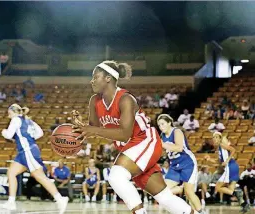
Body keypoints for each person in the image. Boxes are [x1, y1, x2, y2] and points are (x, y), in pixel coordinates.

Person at [72, 60, 198, 214]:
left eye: (95, 77)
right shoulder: (94, 100)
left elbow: (124, 134)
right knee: (164, 198)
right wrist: (81, 128)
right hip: (131, 149)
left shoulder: (125, 99)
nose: (92, 81)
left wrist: (90, 129)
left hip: (145, 141)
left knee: (116, 177)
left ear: (108, 78)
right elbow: (94, 128)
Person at [0, 104, 68, 213]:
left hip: (28, 151)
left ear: (13, 112)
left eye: (9, 114)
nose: (8, 116)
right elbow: (40, 133)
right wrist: (29, 138)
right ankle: (11, 202)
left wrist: (4, 132)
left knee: (39, 176)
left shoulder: (16, 119)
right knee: (11, 173)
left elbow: (8, 135)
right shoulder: (28, 120)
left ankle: (60, 199)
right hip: (26, 151)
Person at [157, 114, 203, 213]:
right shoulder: (162, 136)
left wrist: (162, 144)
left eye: (163, 124)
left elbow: (179, 148)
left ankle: (200, 211)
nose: (161, 127)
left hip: (187, 163)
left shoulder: (177, 131)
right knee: (163, 191)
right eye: (159, 125)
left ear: (169, 123)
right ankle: (182, 191)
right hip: (174, 166)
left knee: (189, 192)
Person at [204, 132, 249, 212]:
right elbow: (219, 163)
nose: (214, 139)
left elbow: (233, 150)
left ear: (220, 138)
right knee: (230, 190)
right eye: (213, 137)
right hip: (234, 167)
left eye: (216, 137)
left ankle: (237, 192)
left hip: (230, 167)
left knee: (218, 187)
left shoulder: (222, 145)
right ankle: (244, 205)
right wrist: (209, 159)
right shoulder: (219, 149)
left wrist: (227, 161)